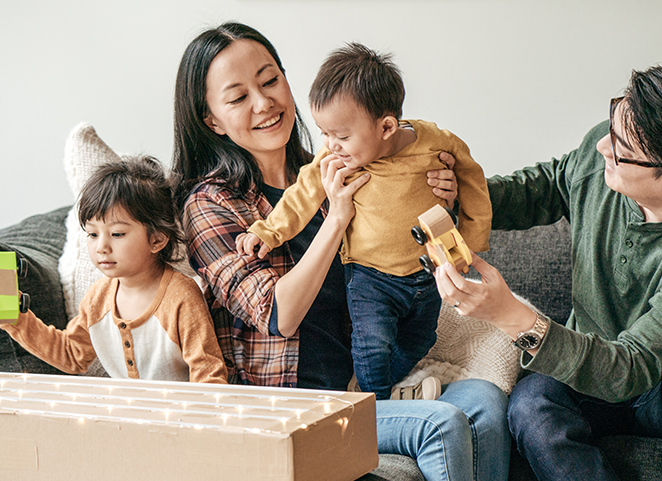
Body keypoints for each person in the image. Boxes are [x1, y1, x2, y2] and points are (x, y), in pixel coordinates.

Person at [171, 22, 509, 481]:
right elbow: (279, 314)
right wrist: (336, 216)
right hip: (293, 405)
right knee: (442, 424)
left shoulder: (349, 157)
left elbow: (406, 250)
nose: (264, 102)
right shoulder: (210, 204)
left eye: (270, 81)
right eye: (237, 97)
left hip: (361, 387)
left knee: (487, 403)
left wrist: (438, 202)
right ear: (211, 120)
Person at [434, 61, 662, 480]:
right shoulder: (604, 153)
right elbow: (543, 188)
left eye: (620, 148)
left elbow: (633, 366)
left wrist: (512, 317)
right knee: (532, 404)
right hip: (587, 370)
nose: (602, 146)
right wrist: (460, 193)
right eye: (611, 123)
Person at [238, 42, 491, 400]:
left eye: (340, 136)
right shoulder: (339, 158)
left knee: (421, 338)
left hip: (427, 270)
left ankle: (376, 394)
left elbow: (473, 179)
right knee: (372, 347)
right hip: (369, 276)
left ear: (387, 127)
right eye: (324, 134)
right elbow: (304, 191)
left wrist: (471, 236)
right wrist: (268, 230)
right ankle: (379, 402)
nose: (330, 146)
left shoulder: (436, 143)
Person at [1, 156, 227, 383]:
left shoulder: (181, 296)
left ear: (157, 240)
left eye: (117, 234)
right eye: (92, 234)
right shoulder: (97, 297)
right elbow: (72, 355)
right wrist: (19, 321)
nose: (101, 247)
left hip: (177, 414)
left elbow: (208, 374)